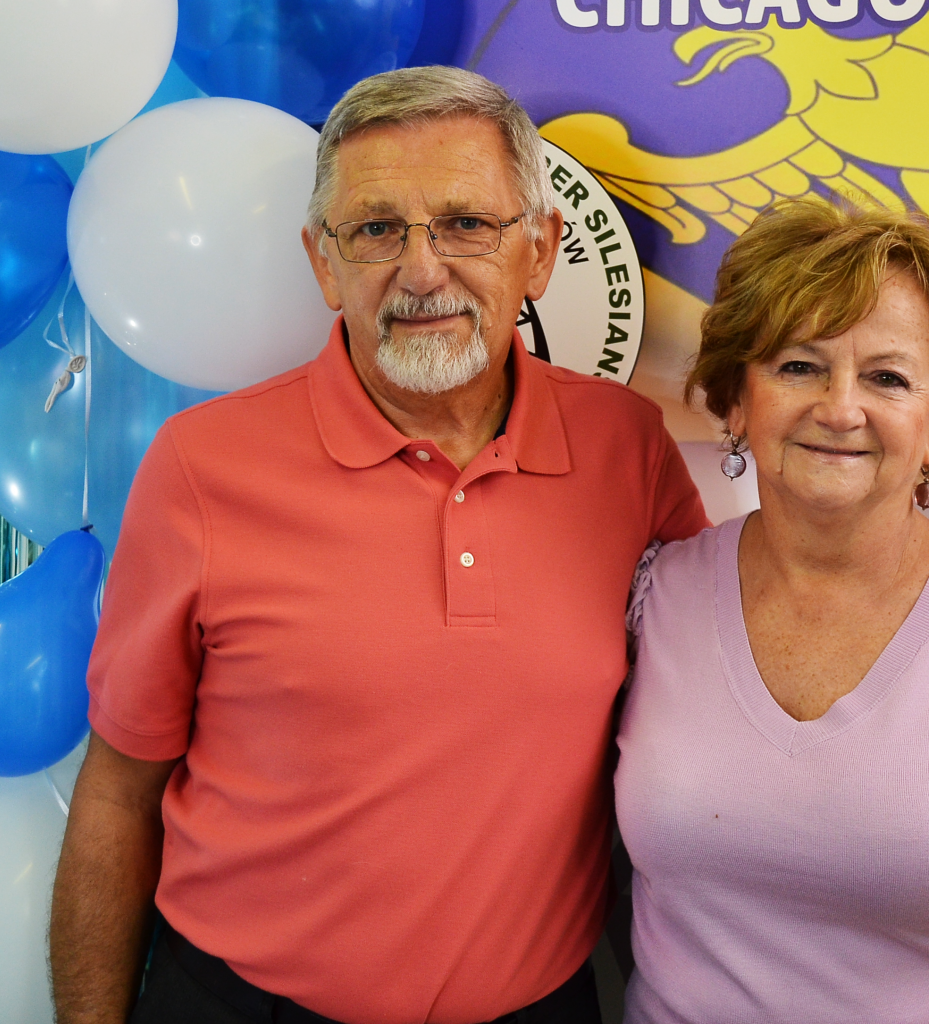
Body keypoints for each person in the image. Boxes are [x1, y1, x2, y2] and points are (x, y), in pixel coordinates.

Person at [50, 66, 707, 1024]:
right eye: (376, 230)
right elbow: (118, 792)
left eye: (465, 224)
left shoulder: (628, 448)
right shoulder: (202, 467)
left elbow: (722, 697)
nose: (423, 269)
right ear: (323, 263)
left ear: (540, 251)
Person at [616, 196, 929, 1023]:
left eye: (888, 377)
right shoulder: (655, 597)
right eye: (799, 366)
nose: (841, 407)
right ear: (735, 403)